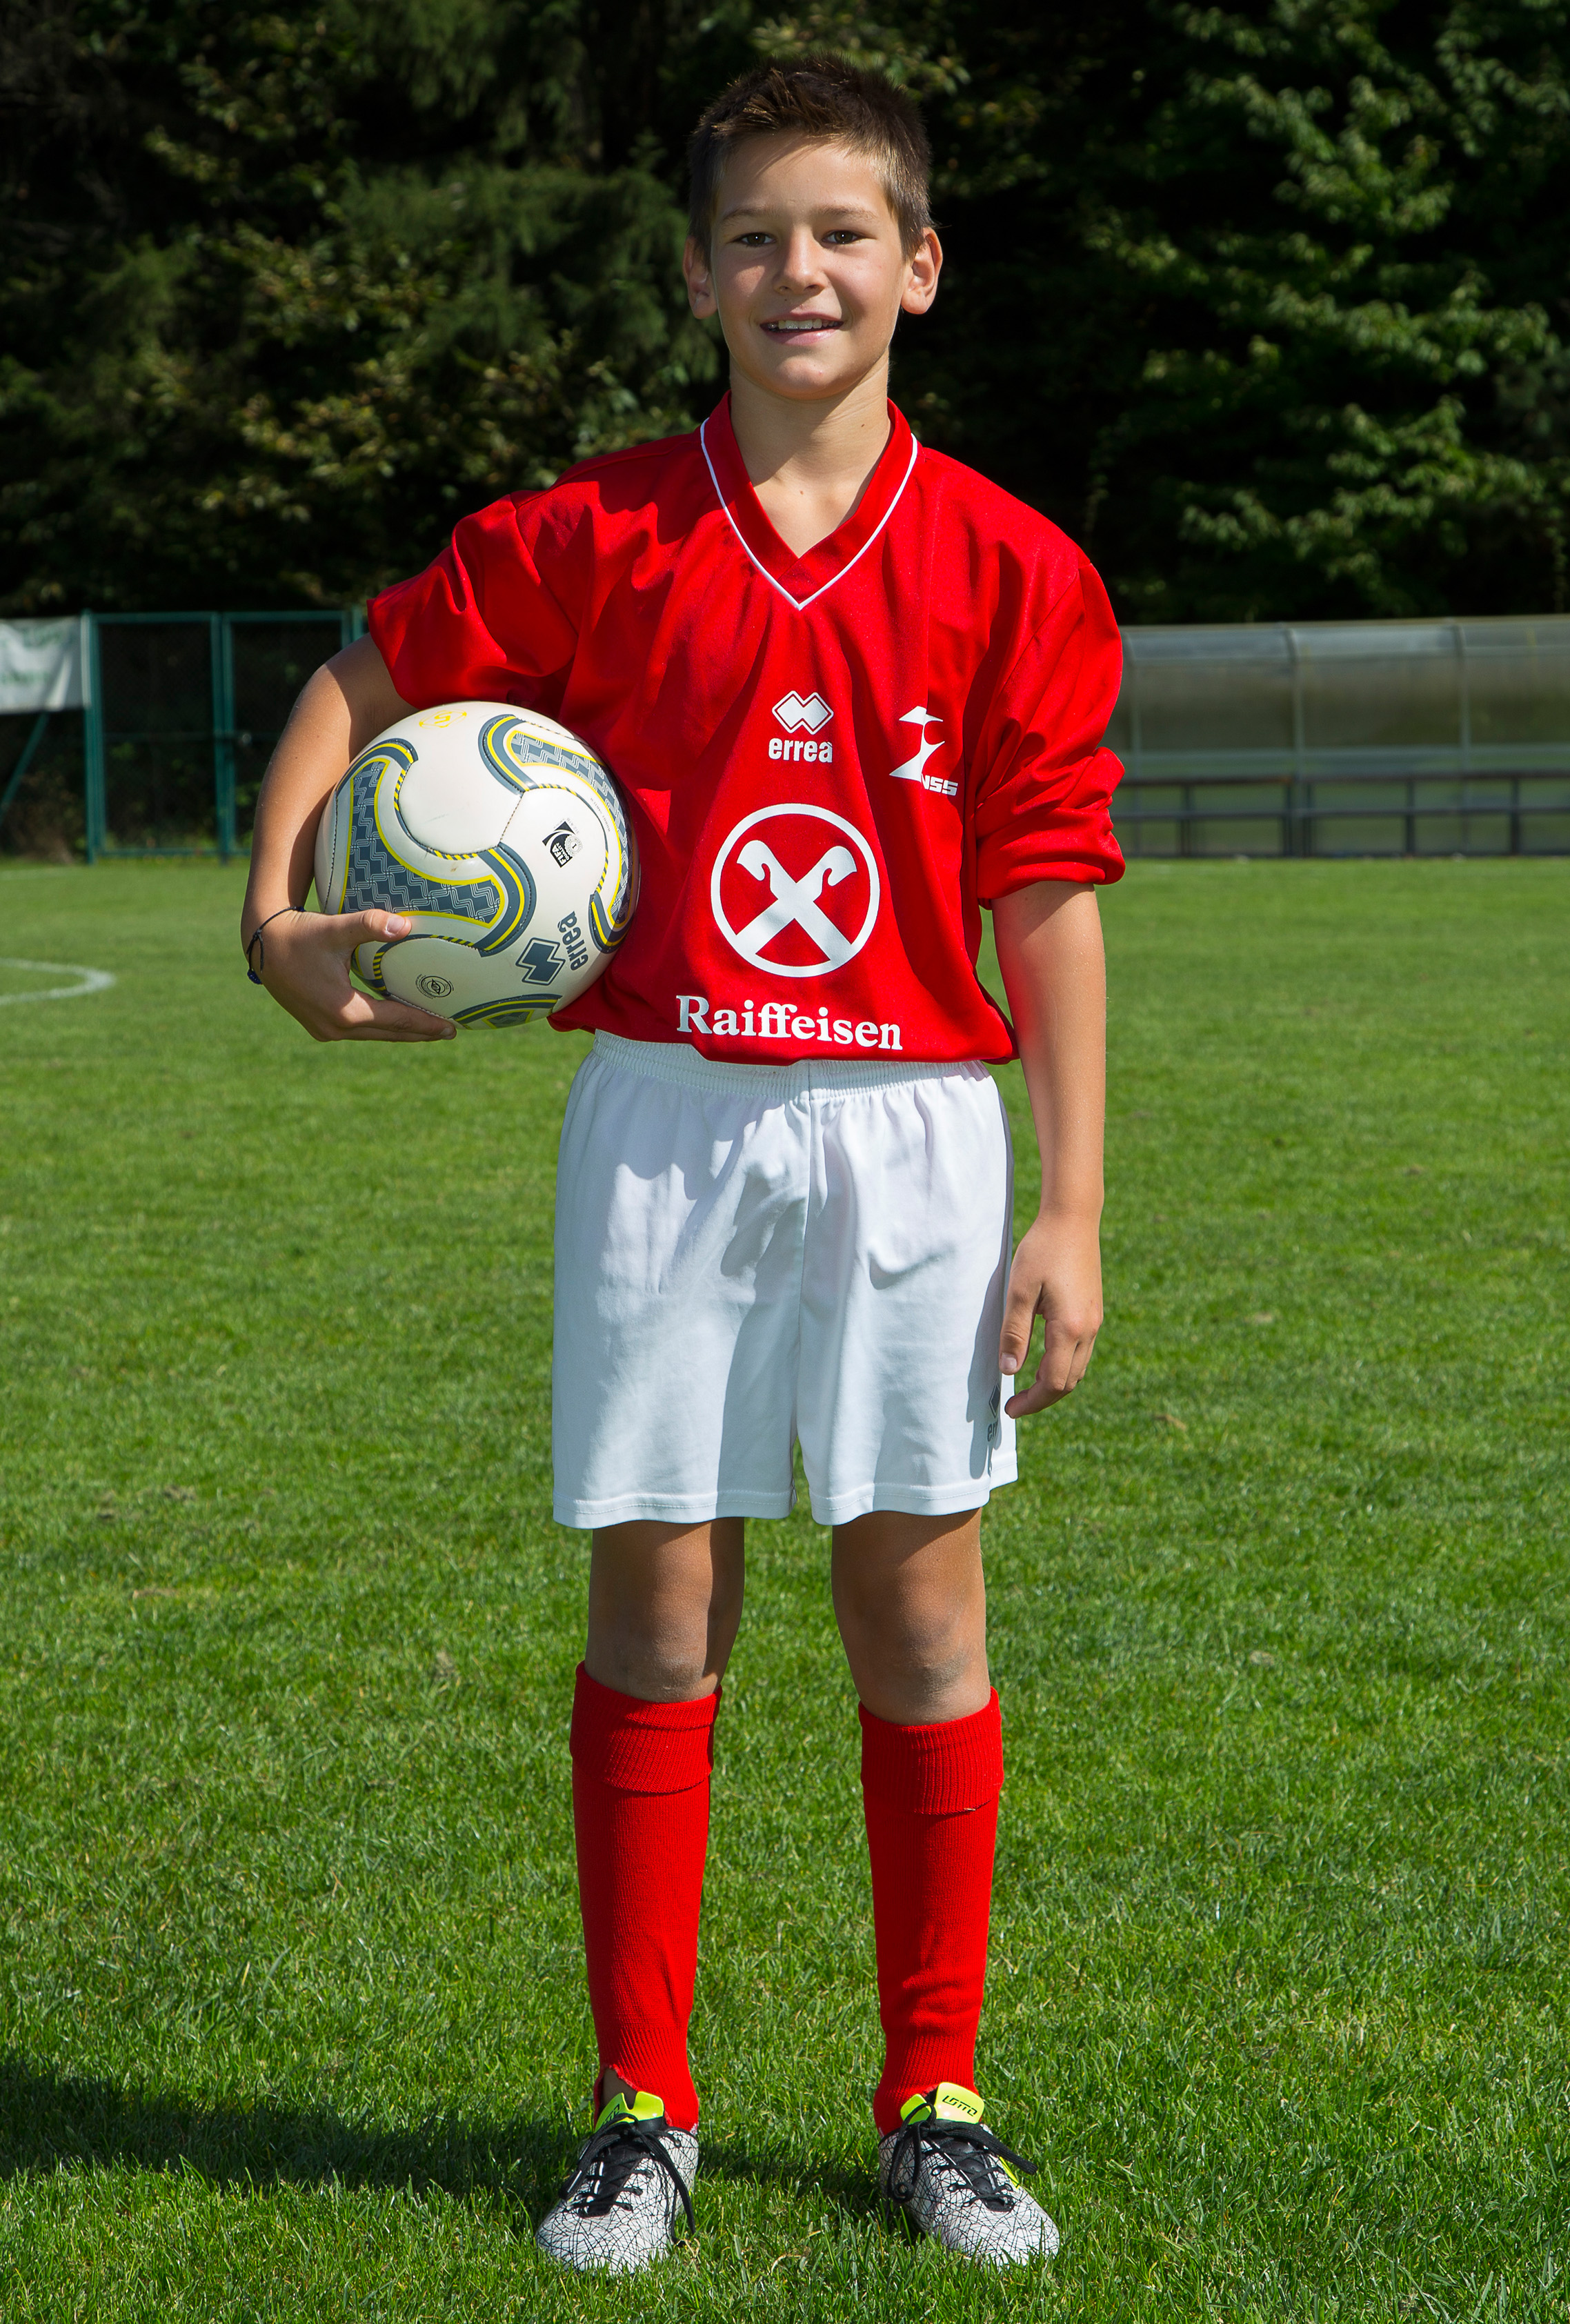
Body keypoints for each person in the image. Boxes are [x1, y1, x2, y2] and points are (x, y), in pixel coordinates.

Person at [240, 52, 1122, 2277]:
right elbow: (363, 671)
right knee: (657, 1606)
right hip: (665, 1112)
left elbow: (1046, 900)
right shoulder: (594, 534)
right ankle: (642, 2101)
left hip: (920, 1126)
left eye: (841, 233)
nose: (796, 271)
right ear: (699, 276)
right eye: (754, 236)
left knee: (919, 1605)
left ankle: (935, 2094)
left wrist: (1071, 1201)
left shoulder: (1015, 566)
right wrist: (272, 913)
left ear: (919, 266)